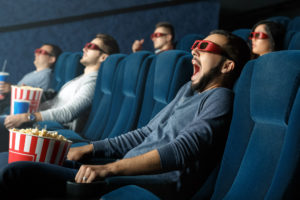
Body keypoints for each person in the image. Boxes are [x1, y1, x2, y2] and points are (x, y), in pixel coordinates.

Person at [0, 30, 250, 199]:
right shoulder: (188, 90)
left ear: (227, 65)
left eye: (205, 47)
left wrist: (111, 169)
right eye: (196, 45)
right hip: (124, 170)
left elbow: (183, 150)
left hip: (147, 183)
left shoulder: (220, 98)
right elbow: (147, 132)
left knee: (18, 172)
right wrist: (90, 149)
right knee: (30, 159)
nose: (194, 51)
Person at [0, 33, 119, 151]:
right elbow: (53, 103)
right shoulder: (80, 78)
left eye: (91, 47)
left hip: (49, 131)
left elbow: (68, 113)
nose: (84, 48)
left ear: (103, 57)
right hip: (37, 123)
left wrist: (27, 117)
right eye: (86, 45)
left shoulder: (92, 82)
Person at [0, 43, 62, 114]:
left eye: (41, 52)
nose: (36, 54)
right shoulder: (33, 74)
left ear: (51, 59)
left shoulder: (46, 76)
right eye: (37, 51)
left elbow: (41, 100)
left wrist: (11, 88)